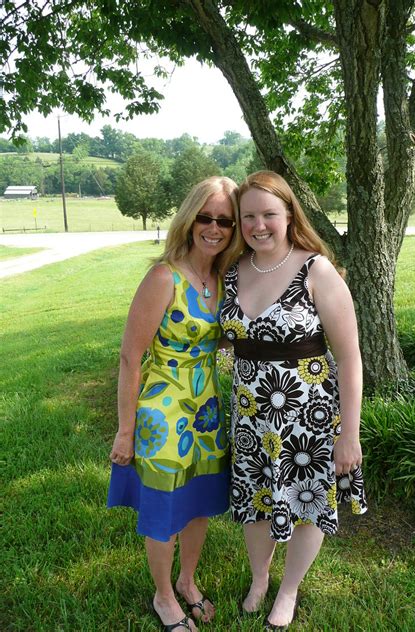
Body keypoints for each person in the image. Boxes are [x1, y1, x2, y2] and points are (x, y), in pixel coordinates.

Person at [220, 171, 367, 630]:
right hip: (249, 414)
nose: (258, 225)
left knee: (306, 504)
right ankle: (260, 579)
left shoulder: (315, 269)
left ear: (288, 215)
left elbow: (349, 359)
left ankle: (289, 588)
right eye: (248, 216)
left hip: (309, 415)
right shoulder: (231, 271)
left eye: (269, 214)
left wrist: (350, 433)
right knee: (254, 501)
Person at [107, 176, 242, 632]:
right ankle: (164, 596)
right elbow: (131, 356)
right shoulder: (163, 276)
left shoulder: (223, 278)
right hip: (163, 411)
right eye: (206, 217)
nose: (214, 227)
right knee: (164, 509)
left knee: (199, 503)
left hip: (206, 407)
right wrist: (126, 430)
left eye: (224, 220)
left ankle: (187, 581)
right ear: (189, 219)